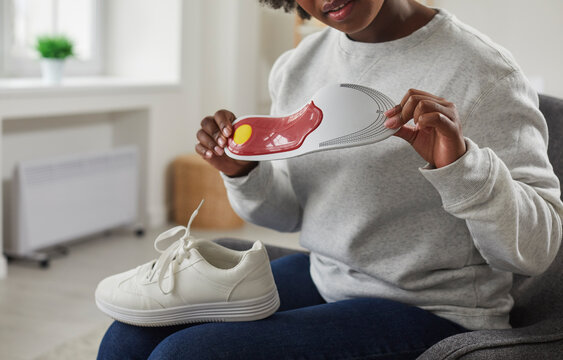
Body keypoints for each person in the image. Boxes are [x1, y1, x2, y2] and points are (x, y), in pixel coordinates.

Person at [98, 0, 563, 358]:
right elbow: (289, 215)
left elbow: (537, 250)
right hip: (327, 276)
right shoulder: (299, 65)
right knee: (130, 336)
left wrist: (460, 166)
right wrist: (244, 171)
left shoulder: (483, 71)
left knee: (185, 355)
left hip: (432, 308)